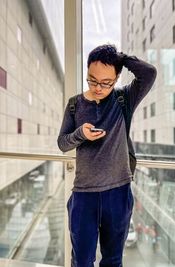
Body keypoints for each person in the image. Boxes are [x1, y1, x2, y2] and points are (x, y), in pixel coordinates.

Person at [57, 44, 157, 267]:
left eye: (106, 82)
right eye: (92, 80)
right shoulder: (74, 105)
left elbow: (149, 73)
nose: (98, 88)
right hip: (83, 195)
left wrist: (119, 58)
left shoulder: (124, 99)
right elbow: (62, 143)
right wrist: (80, 134)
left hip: (118, 193)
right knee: (81, 261)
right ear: (86, 73)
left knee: (112, 261)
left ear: (117, 77)